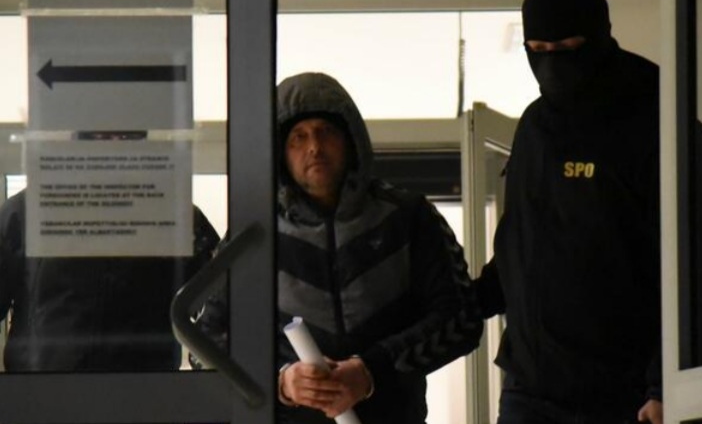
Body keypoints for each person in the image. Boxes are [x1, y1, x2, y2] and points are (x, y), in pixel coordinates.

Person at [194, 72, 483, 424]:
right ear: (280, 152)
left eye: (326, 132)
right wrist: (281, 381)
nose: (314, 147)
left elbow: (461, 318)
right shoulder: (252, 235)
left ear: (351, 140)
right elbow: (204, 342)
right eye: (298, 137)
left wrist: (370, 370)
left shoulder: (409, 217)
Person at [475, 0, 663, 424]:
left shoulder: (656, 114)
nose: (551, 63)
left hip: (623, 391)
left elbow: (688, 263)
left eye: (566, 48)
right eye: (537, 50)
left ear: (598, 37)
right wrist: (462, 304)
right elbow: (520, 247)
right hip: (530, 387)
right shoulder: (535, 127)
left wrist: (662, 385)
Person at [0, 188, 220, 371]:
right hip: (145, 386)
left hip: (46, 386)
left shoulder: (23, 211)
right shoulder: (175, 213)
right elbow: (219, 301)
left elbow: (219, 302)